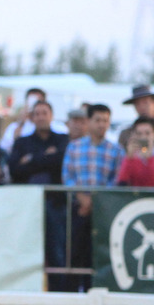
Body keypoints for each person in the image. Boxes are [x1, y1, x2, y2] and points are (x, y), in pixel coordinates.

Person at [9, 100, 70, 292]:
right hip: (27, 206)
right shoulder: (21, 142)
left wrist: (32, 159)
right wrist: (46, 157)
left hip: (55, 202)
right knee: (25, 251)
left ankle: (59, 303)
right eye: (37, 113)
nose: (41, 117)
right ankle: (26, 303)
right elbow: (15, 170)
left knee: (57, 253)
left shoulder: (62, 139)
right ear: (32, 118)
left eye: (45, 113)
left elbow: (60, 161)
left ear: (51, 116)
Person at [61, 103, 124, 291]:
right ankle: (71, 302)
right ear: (88, 122)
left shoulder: (115, 150)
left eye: (105, 121)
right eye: (97, 120)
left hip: (103, 209)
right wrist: (82, 197)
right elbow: (67, 176)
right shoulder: (74, 147)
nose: (101, 124)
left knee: (98, 255)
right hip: (78, 209)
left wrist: (96, 199)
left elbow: (117, 179)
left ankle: (95, 299)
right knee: (75, 254)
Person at [0, 87, 68, 152]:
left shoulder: (59, 127)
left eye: (38, 101)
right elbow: (4, 150)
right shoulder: (14, 127)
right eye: (31, 101)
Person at [118, 85, 154, 159]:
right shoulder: (126, 133)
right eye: (137, 104)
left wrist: (151, 147)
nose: (142, 107)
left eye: (145, 102)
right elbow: (120, 158)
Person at [117, 116, 154, 187]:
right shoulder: (129, 157)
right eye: (139, 134)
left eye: (147, 133)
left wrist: (150, 159)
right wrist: (129, 159)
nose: (143, 137)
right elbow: (121, 183)